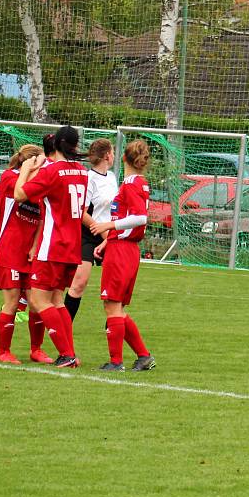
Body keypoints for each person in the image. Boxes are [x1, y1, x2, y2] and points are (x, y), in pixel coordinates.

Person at [14, 126, 89, 368]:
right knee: (57, 300)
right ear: (75, 147)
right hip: (72, 246)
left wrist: (26, 170)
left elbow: (19, 195)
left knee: (37, 300)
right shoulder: (82, 171)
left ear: (55, 144)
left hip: (52, 244)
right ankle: (71, 353)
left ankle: (66, 354)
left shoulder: (53, 171)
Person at [90, 140, 155, 372]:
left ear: (124, 159)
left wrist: (108, 225)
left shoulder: (131, 185)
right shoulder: (135, 182)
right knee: (116, 307)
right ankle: (144, 356)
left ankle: (116, 362)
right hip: (122, 247)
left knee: (111, 306)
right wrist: (108, 240)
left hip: (123, 251)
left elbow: (140, 218)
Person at [0, 144, 54, 364]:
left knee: (37, 301)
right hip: (9, 252)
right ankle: (3, 352)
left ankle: (36, 349)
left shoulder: (38, 184)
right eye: (42, 162)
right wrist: (27, 170)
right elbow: (19, 195)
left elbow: (43, 218)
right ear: (30, 163)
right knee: (13, 302)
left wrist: (36, 245)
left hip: (30, 254)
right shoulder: (10, 177)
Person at [64, 138, 118, 321]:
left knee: (115, 285)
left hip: (108, 235)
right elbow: (81, 212)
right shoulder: (88, 178)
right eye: (113, 151)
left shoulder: (111, 177)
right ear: (106, 155)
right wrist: (103, 232)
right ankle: (63, 328)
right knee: (79, 283)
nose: (114, 155)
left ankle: (114, 328)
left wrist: (111, 232)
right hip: (88, 234)